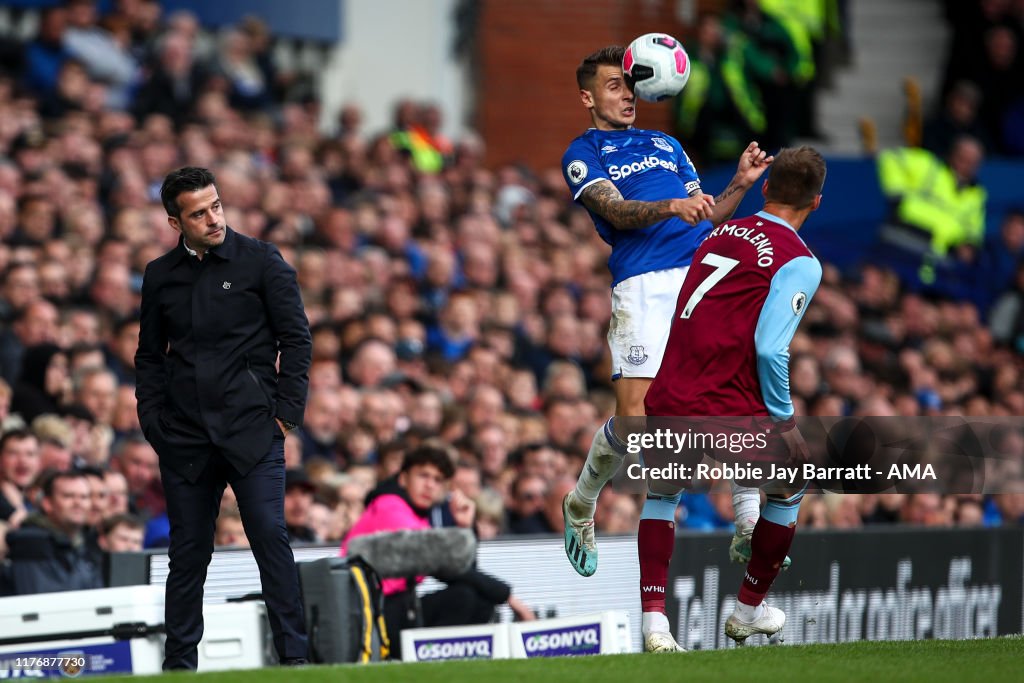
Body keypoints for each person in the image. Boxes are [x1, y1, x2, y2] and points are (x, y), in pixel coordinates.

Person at [559, 45, 773, 578]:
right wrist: (670, 206)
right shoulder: (583, 152)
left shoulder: (668, 144)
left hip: (699, 277)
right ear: (587, 96)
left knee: (737, 396)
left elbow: (706, 212)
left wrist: (739, 186)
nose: (627, 95)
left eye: (630, 85)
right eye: (614, 86)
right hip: (643, 285)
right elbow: (616, 211)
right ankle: (581, 501)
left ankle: (749, 523)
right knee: (637, 430)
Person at [638, 146, 826, 651]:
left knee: (662, 496)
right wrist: (783, 420)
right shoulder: (800, 262)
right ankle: (747, 610)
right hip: (727, 399)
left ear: (765, 188)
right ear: (817, 201)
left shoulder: (719, 230)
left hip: (671, 385)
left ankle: (654, 623)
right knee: (790, 486)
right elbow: (769, 348)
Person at [135, 166, 312, 670]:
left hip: (253, 430)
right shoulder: (159, 275)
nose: (213, 218)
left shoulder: (262, 260)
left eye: (215, 205)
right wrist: (153, 422)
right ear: (176, 223)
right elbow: (149, 357)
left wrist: (285, 417)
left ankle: (296, 660)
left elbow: (297, 339)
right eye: (198, 213)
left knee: (269, 539)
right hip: (185, 438)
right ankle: (179, 666)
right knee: (187, 554)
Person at [342, 446, 535, 659]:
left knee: (479, 600)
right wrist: (510, 597)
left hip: (396, 608)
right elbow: (446, 567)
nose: (430, 485)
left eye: (437, 479)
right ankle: (429, 663)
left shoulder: (416, 513)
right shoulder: (391, 507)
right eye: (423, 475)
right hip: (368, 613)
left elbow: (462, 569)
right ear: (403, 478)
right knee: (464, 597)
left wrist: (465, 527)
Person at [1, 469, 104, 595]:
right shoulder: (30, 543)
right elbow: (42, 603)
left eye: (84, 497)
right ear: (47, 503)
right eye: (68, 496)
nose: (78, 503)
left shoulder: (83, 544)